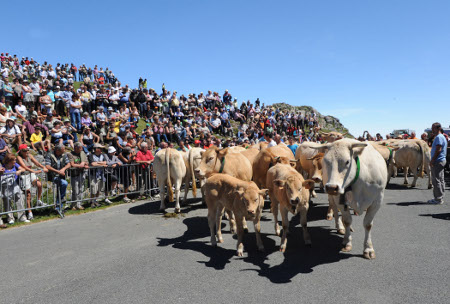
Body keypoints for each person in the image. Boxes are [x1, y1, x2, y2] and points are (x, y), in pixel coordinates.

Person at [16, 144, 48, 220]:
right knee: (28, 194)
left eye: (27, 150)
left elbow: (37, 163)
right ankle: (30, 213)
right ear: (21, 151)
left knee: (39, 184)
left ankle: (38, 200)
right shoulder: (19, 157)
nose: (27, 151)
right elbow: (24, 166)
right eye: (25, 150)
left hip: (31, 173)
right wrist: (34, 171)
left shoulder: (29, 155)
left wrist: (43, 167)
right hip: (24, 175)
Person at [0, 153, 29, 225]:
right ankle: (10, 218)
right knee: (7, 202)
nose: (15, 161)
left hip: (14, 185)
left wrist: (19, 171)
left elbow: (23, 169)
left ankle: (22, 217)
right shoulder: (3, 167)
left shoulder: (15, 165)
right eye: (14, 160)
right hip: (5, 186)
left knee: (19, 199)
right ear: (9, 160)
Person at [45, 144, 70, 211]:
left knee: (61, 188)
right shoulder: (49, 155)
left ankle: (59, 206)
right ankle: (61, 200)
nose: (64, 151)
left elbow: (68, 164)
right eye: (63, 149)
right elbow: (47, 166)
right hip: (53, 176)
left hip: (62, 175)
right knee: (64, 183)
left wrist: (63, 169)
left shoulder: (64, 155)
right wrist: (58, 172)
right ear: (58, 150)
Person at [428, 122, 447, 205]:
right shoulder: (441, 136)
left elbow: (438, 150)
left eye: (433, 128)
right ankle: (440, 196)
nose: (432, 130)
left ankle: (438, 199)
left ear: (438, 128)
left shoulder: (439, 137)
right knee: (441, 179)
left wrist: (432, 160)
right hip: (441, 160)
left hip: (437, 161)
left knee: (436, 180)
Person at [67, 142, 89, 210]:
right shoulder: (70, 154)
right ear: (75, 148)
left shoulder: (82, 154)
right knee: (75, 190)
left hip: (81, 174)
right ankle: (73, 204)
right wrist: (80, 165)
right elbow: (72, 164)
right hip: (74, 174)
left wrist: (84, 164)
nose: (81, 149)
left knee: (80, 190)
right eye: (80, 148)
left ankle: (78, 204)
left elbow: (86, 162)